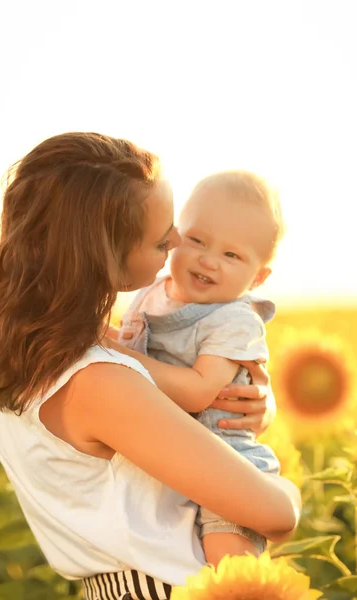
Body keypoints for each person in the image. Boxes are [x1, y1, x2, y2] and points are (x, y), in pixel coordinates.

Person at [0, 133, 301, 600]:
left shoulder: (19, 352)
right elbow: (275, 515)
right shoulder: (100, 380)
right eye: (161, 239)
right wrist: (288, 491)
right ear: (105, 252)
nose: (176, 243)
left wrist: (249, 400)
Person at [116, 170, 284, 566]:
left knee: (228, 572)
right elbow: (118, 348)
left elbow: (197, 391)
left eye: (232, 255)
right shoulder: (149, 294)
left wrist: (117, 352)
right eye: (197, 240)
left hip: (226, 463)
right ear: (174, 235)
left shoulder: (235, 320)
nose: (208, 260)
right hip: (168, 456)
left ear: (257, 277)